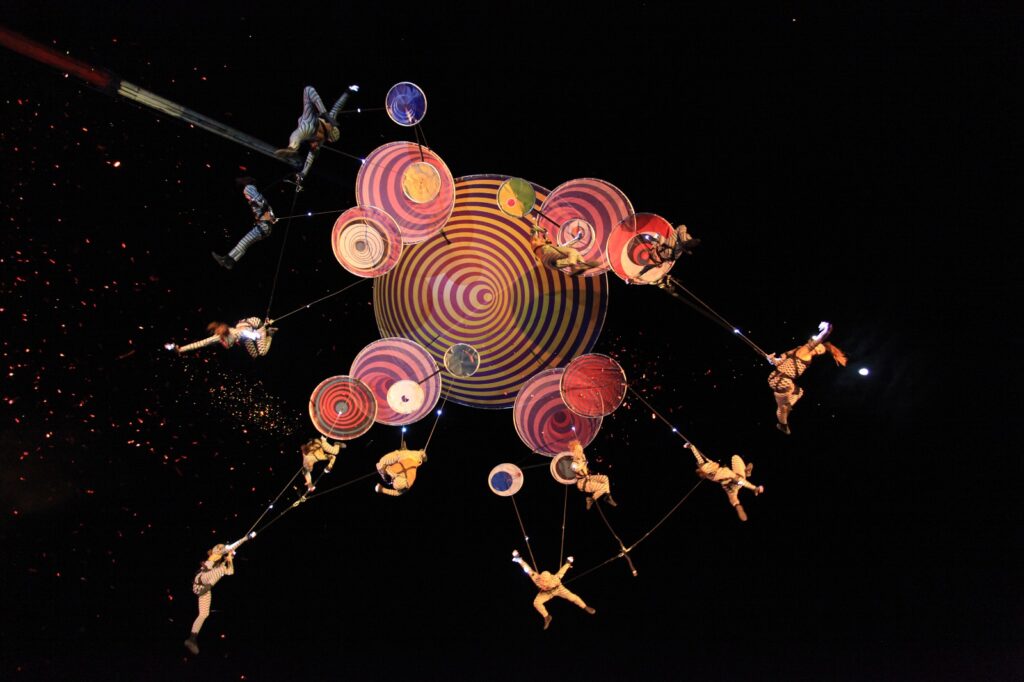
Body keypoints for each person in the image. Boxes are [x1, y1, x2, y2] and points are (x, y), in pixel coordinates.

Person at [766, 321, 847, 434]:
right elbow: (821, 337)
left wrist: (772, 359)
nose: (817, 352)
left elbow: (779, 361)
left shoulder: (797, 352)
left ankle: (783, 423)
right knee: (791, 398)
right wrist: (827, 329)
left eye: (819, 352)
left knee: (795, 394)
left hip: (775, 378)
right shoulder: (805, 351)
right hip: (782, 381)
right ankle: (786, 410)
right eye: (818, 349)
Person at [275, 84, 359, 186]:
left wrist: (303, 174)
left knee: (308, 91)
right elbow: (338, 106)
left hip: (309, 126)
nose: (332, 128)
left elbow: (310, 159)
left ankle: (292, 147)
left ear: (330, 138)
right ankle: (292, 147)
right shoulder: (325, 130)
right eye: (333, 129)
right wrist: (348, 92)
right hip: (310, 124)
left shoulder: (322, 138)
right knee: (308, 91)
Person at [512, 550, 596, 630]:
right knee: (536, 603)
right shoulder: (536, 578)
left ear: (550, 579)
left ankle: (585, 607)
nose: (544, 582)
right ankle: (547, 617)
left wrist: (568, 562)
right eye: (542, 580)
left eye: (546, 581)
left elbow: (562, 571)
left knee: (573, 597)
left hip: (559, 589)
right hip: (546, 593)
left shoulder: (555, 579)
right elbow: (528, 569)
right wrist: (518, 559)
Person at [686, 443, 763, 521]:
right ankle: (747, 477)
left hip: (729, 483)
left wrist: (691, 447)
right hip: (732, 479)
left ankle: (738, 503)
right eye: (698, 469)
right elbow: (698, 458)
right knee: (739, 475)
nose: (697, 466)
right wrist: (754, 488)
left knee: (734, 497)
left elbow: (698, 457)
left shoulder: (707, 472)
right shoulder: (704, 468)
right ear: (700, 472)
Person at [212, 179, 277, 270]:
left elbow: (263, 204)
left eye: (246, 194)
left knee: (244, 243)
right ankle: (229, 262)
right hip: (264, 227)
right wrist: (271, 217)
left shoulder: (254, 195)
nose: (245, 196)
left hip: (263, 227)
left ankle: (227, 260)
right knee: (244, 243)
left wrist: (266, 215)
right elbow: (268, 210)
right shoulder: (258, 201)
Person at [184, 543, 236, 655]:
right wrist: (228, 550)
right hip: (201, 580)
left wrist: (230, 559)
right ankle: (207, 587)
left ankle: (192, 638)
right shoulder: (214, 555)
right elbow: (219, 551)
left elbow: (231, 572)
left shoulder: (220, 564)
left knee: (204, 614)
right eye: (220, 547)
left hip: (205, 588)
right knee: (221, 569)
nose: (221, 548)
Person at [172, 317, 276, 358]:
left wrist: (265, 326)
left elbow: (252, 334)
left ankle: (270, 333)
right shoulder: (220, 336)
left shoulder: (232, 334)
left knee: (262, 353)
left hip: (254, 324)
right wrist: (181, 349)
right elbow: (200, 343)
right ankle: (265, 330)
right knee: (254, 355)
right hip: (245, 326)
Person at [529, 227, 603, 277]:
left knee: (574, 256)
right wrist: (542, 230)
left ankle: (581, 265)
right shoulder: (535, 242)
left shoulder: (550, 249)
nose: (545, 240)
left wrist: (577, 239)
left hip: (552, 265)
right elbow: (533, 229)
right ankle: (576, 266)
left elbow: (565, 247)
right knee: (572, 252)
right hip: (547, 255)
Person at [567, 439, 617, 510]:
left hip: (588, 478)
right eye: (579, 451)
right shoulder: (573, 464)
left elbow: (585, 467)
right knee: (603, 487)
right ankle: (591, 499)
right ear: (574, 452)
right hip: (582, 483)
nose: (581, 452)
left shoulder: (582, 458)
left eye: (581, 450)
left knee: (605, 478)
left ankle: (608, 496)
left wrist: (583, 461)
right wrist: (583, 462)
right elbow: (576, 469)